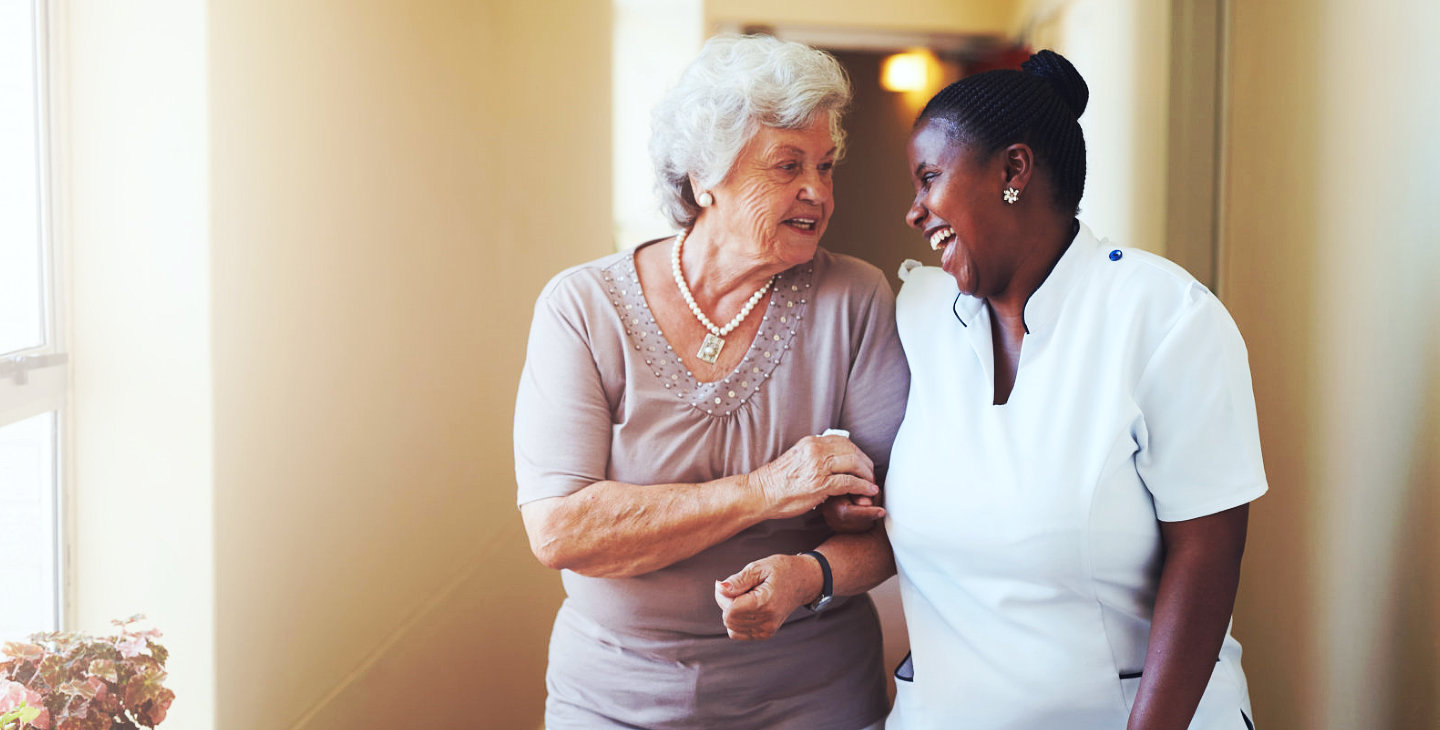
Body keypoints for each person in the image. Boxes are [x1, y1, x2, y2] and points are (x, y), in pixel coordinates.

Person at [513, 35, 906, 730]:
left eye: (825, 165)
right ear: (704, 179)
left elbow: (902, 522)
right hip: (614, 696)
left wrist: (807, 575)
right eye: (787, 166)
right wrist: (768, 490)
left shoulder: (855, 298)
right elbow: (560, 530)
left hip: (811, 693)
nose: (818, 190)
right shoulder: (583, 307)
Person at [885, 50, 1265, 728]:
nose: (915, 211)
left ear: (1013, 171)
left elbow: (1207, 552)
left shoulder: (1164, 316)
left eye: (930, 178)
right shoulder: (917, 315)